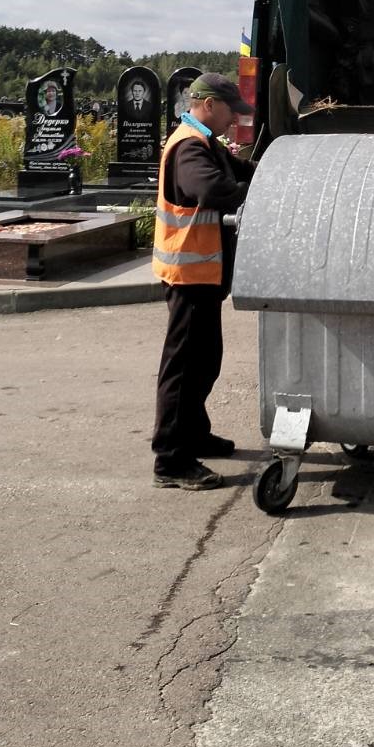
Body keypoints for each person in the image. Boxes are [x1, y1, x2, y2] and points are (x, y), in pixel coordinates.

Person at [151, 72, 254, 490]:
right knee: (184, 367)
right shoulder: (189, 147)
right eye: (232, 112)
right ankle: (171, 461)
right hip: (189, 275)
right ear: (209, 105)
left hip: (203, 274)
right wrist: (251, 188)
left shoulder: (204, 141)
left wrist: (275, 174)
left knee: (205, 360)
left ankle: (194, 433)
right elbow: (211, 190)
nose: (234, 121)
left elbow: (240, 169)